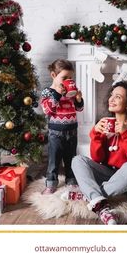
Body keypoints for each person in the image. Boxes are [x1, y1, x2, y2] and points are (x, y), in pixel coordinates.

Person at [67, 81, 127, 225]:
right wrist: (96, 134)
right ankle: (98, 202)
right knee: (77, 160)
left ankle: (88, 196)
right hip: (110, 174)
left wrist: (125, 133)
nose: (111, 99)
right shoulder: (106, 124)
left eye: (117, 97)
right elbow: (98, 158)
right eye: (111, 95)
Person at [40, 59, 84, 194]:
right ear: (53, 75)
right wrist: (58, 94)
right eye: (64, 78)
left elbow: (80, 109)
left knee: (71, 158)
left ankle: (71, 181)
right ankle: (51, 183)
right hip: (56, 132)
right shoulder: (48, 92)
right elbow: (47, 110)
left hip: (72, 131)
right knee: (54, 160)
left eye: (70, 78)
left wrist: (78, 100)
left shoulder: (70, 92)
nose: (68, 80)